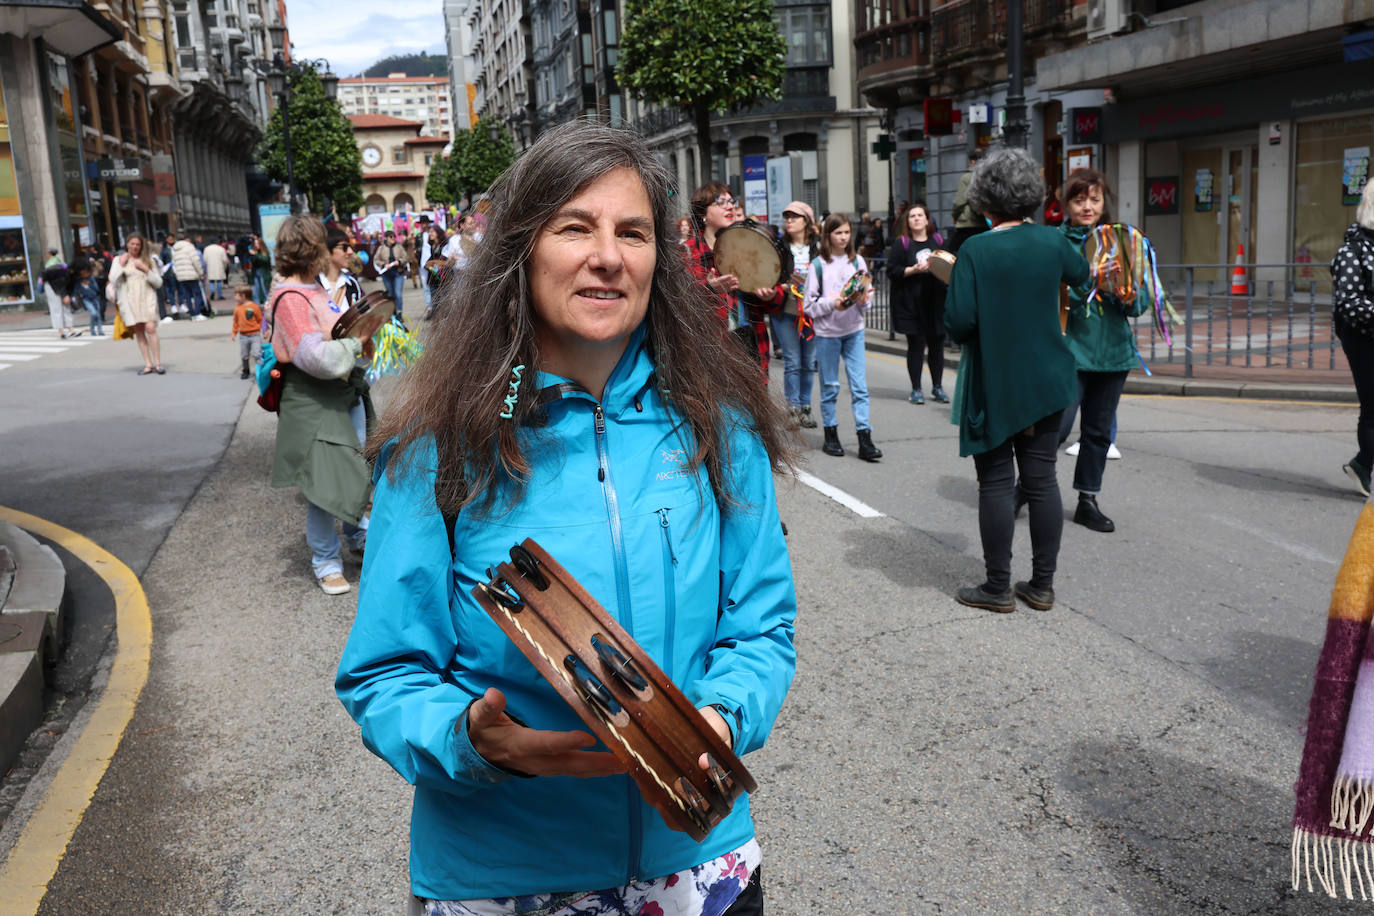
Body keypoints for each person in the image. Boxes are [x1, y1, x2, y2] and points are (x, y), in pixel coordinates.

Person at [335, 120, 797, 915]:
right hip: (503, 876)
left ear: (661, 258)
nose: (607, 256)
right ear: (523, 250)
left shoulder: (719, 425)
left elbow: (761, 627)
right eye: (574, 227)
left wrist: (718, 721)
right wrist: (464, 738)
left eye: (633, 232)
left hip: (698, 872)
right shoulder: (442, 446)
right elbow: (384, 673)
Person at [943, 147, 1089, 613]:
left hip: (996, 379)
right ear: (1031, 196)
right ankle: (1042, 585)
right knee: (1042, 478)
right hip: (1050, 377)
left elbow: (960, 323)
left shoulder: (975, 249)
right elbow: (1083, 276)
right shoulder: (1052, 242)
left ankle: (997, 586)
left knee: (995, 482)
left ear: (984, 200)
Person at [261, 216, 370, 595]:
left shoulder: (312, 290)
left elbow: (330, 337)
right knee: (324, 484)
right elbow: (317, 360)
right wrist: (355, 344)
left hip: (340, 395)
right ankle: (326, 562)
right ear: (312, 249)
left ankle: (356, 538)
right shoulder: (290, 297)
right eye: (324, 243)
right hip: (313, 399)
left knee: (354, 471)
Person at [1054, 168, 1152, 533]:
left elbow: (1139, 303)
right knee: (1057, 428)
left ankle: (1087, 500)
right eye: (1080, 200)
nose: (1087, 206)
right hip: (1070, 351)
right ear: (1066, 204)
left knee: (1098, 432)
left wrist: (1124, 290)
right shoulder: (1057, 243)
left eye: (1094, 199)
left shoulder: (1122, 240)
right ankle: (1028, 487)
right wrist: (1090, 282)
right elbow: (1053, 296)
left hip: (1112, 352)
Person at [804, 213, 882, 461]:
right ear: (828, 236)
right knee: (830, 386)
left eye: (847, 232)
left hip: (854, 330)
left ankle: (865, 437)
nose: (843, 237)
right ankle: (831, 434)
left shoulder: (857, 260)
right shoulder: (818, 265)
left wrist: (865, 300)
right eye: (838, 233)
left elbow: (864, 295)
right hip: (827, 333)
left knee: (859, 387)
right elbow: (809, 305)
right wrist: (831, 304)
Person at [683, 182, 776, 369]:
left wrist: (771, 296)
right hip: (710, 355)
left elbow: (771, 299)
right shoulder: (687, 252)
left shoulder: (749, 246)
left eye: (731, 201)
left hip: (751, 349)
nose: (730, 206)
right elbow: (679, 304)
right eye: (720, 202)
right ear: (703, 214)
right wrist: (709, 289)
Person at [1333, 179, 1374, 496]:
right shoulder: (1352, 251)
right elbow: (1350, 303)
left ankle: (1362, 463)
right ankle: (1363, 465)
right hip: (1363, 338)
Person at [887, 202, 949, 405]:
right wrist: (913, 270)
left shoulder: (938, 241)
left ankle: (937, 387)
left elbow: (950, 267)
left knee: (937, 346)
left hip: (935, 304)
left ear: (927, 219)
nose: (916, 218)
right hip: (911, 305)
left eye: (920, 215)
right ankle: (916, 389)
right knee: (916, 346)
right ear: (908, 221)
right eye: (912, 216)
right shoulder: (902, 244)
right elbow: (892, 271)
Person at [766, 200, 820, 428]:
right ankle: (793, 407)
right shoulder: (778, 246)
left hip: (812, 311)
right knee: (793, 361)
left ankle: (806, 406)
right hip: (785, 309)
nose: (789, 221)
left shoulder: (819, 247)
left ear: (806, 221)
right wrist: (785, 286)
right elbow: (769, 273)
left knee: (809, 361)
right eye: (786, 216)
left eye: (794, 217)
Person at [108, 232, 166, 374]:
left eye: (137, 244)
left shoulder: (148, 261)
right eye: (132, 244)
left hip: (147, 298)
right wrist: (121, 264)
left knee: (151, 328)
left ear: (141, 246)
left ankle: (158, 363)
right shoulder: (119, 259)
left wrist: (146, 269)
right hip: (130, 301)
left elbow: (158, 283)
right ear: (127, 244)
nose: (134, 247)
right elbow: (113, 278)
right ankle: (148, 364)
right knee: (139, 332)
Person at [948, 148, 987, 254]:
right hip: (984, 223)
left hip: (967, 223)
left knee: (952, 252)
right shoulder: (988, 177)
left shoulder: (967, 177)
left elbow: (960, 201)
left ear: (972, 162)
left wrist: (955, 216)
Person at [320, 227, 365, 312]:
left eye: (349, 246)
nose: (350, 251)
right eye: (344, 247)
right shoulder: (313, 285)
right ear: (326, 251)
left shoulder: (352, 284)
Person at [39, 253, 79, 339]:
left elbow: (69, 287)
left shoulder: (74, 275)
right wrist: (65, 295)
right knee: (56, 307)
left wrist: (67, 296)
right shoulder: (62, 271)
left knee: (66, 306)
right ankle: (61, 332)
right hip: (50, 285)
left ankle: (71, 329)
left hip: (59, 287)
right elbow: (59, 284)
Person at [172, 232, 208, 319]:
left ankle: (192, 314)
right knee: (197, 294)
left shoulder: (175, 249)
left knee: (187, 295)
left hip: (181, 276)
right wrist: (201, 273)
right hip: (191, 274)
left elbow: (174, 263)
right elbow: (196, 261)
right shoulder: (189, 246)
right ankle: (197, 313)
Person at [230, 284, 262, 380]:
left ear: (243, 296)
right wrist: (234, 333)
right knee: (244, 354)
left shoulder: (254, 307)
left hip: (255, 335)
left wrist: (264, 330)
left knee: (257, 353)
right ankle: (246, 370)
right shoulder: (237, 308)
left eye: (236, 295)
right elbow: (235, 322)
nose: (234, 297)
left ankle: (260, 370)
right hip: (243, 336)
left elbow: (260, 319)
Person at [374, 229, 408, 317]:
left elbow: (405, 257)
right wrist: (383, 264)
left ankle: (399, 313)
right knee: (390, 294)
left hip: (398, 273)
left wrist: (399, 262)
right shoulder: (381, 248)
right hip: (386, 274)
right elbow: (376, 259)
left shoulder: (399, 247)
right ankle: (393, 312)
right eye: (391, 237)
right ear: (386, 238)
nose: (393, 238)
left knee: (398, 293)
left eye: (394, 237)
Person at [70, 257, 104, 336]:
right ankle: (92, 329)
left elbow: (96, 288)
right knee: (93, 313)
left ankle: (100, 330)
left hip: (95, 298)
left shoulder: (91, 279)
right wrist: (72, 297)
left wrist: (89, 284)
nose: (86, 274)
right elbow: (75, 290)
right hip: (86, 299)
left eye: (88, 272)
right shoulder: (78, 281)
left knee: (98, 315)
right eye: (84, 272)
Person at [250, 236, 273, 306]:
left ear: (261, 244)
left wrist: (256, 254)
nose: (255, 245)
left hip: (264, 274)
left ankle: (268, 306)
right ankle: (257, 306)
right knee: (255, 291)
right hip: (255, 273)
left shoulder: (265, 252)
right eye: (255, 244)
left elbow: (265, 259)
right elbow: (253, 262)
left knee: (265, 290)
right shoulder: (254, 252)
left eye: (257, 243)